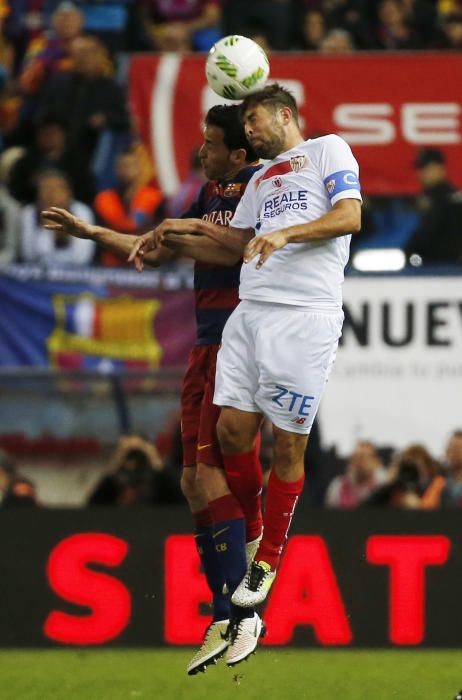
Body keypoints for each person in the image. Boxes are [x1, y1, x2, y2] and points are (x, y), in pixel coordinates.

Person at [129, 83, 362, 656]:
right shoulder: (258, 181)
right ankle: (254, 535)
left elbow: (349, 216)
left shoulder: (330, 150)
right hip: (250, 315)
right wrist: (182, 230)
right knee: (231, 431)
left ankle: (268, 562)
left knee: (287, 448)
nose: (249, 132)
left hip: (303, 318)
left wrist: (284, 232)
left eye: (254, 120)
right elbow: (236, 242)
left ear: (284, 114)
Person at [42, 104, 263, 671]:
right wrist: (91, 232)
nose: (201, 151)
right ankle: (223, 611)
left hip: (237, 345)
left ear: (239, 153)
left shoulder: (260, 189)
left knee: (212, 474)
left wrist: (178, 231)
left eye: (211, 143)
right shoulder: (210, 193)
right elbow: (157, 247)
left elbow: (234, 248)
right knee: (191, 480)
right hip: (204, 344)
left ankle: (244, 615)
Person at [94, 144, 164, 266]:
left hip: (144, 262)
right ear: (115, 169)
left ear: (140, 168)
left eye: (130, 166)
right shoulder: (104, 199)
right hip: (110, 264)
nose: (125, 170)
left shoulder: (155, 198)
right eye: (121, 166)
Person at [22, 168, 95, 266]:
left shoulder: (82, 212)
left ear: (68, 193)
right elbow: (29, 256)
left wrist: (63, 234)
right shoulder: (29, 212)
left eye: (55, 189)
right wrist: (46, 230)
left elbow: (82, 258)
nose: (50, 194)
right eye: (45, 189)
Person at [88, 434, 182, 506]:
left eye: (139, 484)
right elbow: (90, 511)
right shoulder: (109, 486)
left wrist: (160, 469)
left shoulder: (165, 482)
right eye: (128, 485)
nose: (132, 492)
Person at [405, 148, 462, 265]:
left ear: (440, 169)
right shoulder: (426, 200)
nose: (422, 173)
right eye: (420, 168)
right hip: (429, 268)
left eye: (427, 168)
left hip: (450, 270)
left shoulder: (453, 200)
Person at [324, 440, 387, 508]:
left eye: (365, 457)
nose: (360, 462)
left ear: (375, 461)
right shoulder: (338, 486)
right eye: (357, 457)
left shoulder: (384, 487)